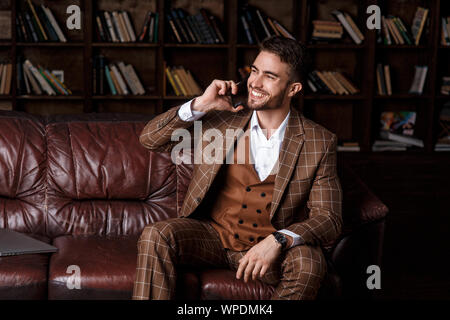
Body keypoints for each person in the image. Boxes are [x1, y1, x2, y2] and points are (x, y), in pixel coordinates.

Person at [133, 36, 342, 300]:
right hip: (213, 237)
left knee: (310, 264)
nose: (255, 82)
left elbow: (329, 218)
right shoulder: (222, 118)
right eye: (254, 71)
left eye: (270, 76)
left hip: (269, 250)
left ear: (293, 89)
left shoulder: (318, 141)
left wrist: (279, 240)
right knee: (156, 234)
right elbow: (150, 139)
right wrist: (199, 105)